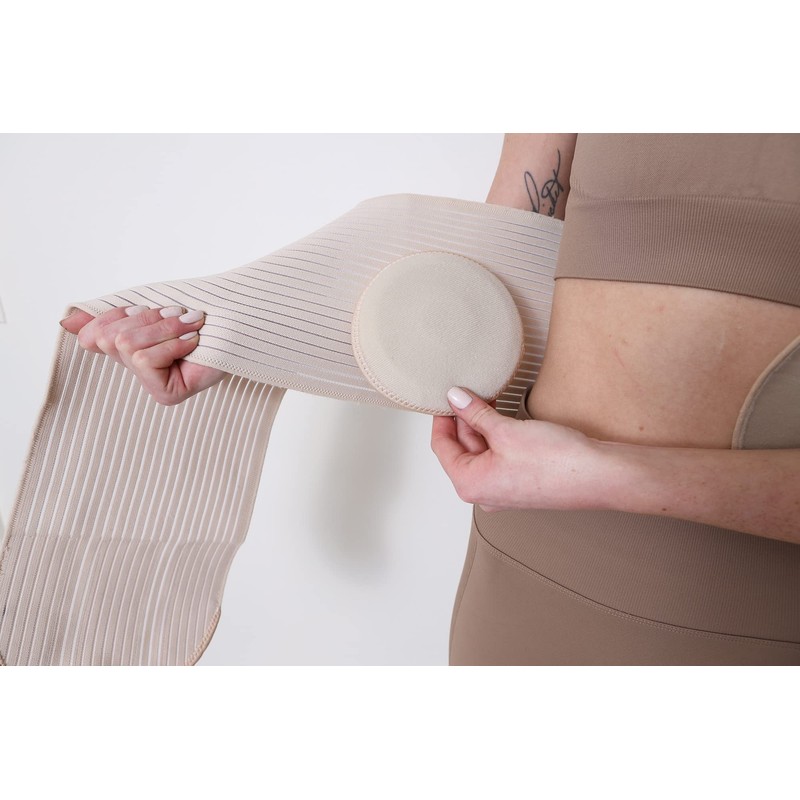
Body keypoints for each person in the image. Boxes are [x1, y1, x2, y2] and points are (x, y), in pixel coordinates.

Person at [60, 134, 800, 665]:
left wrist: (611, 474)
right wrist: (241, 334)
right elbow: (492, 269)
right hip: (528, 559)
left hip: (735, 605)